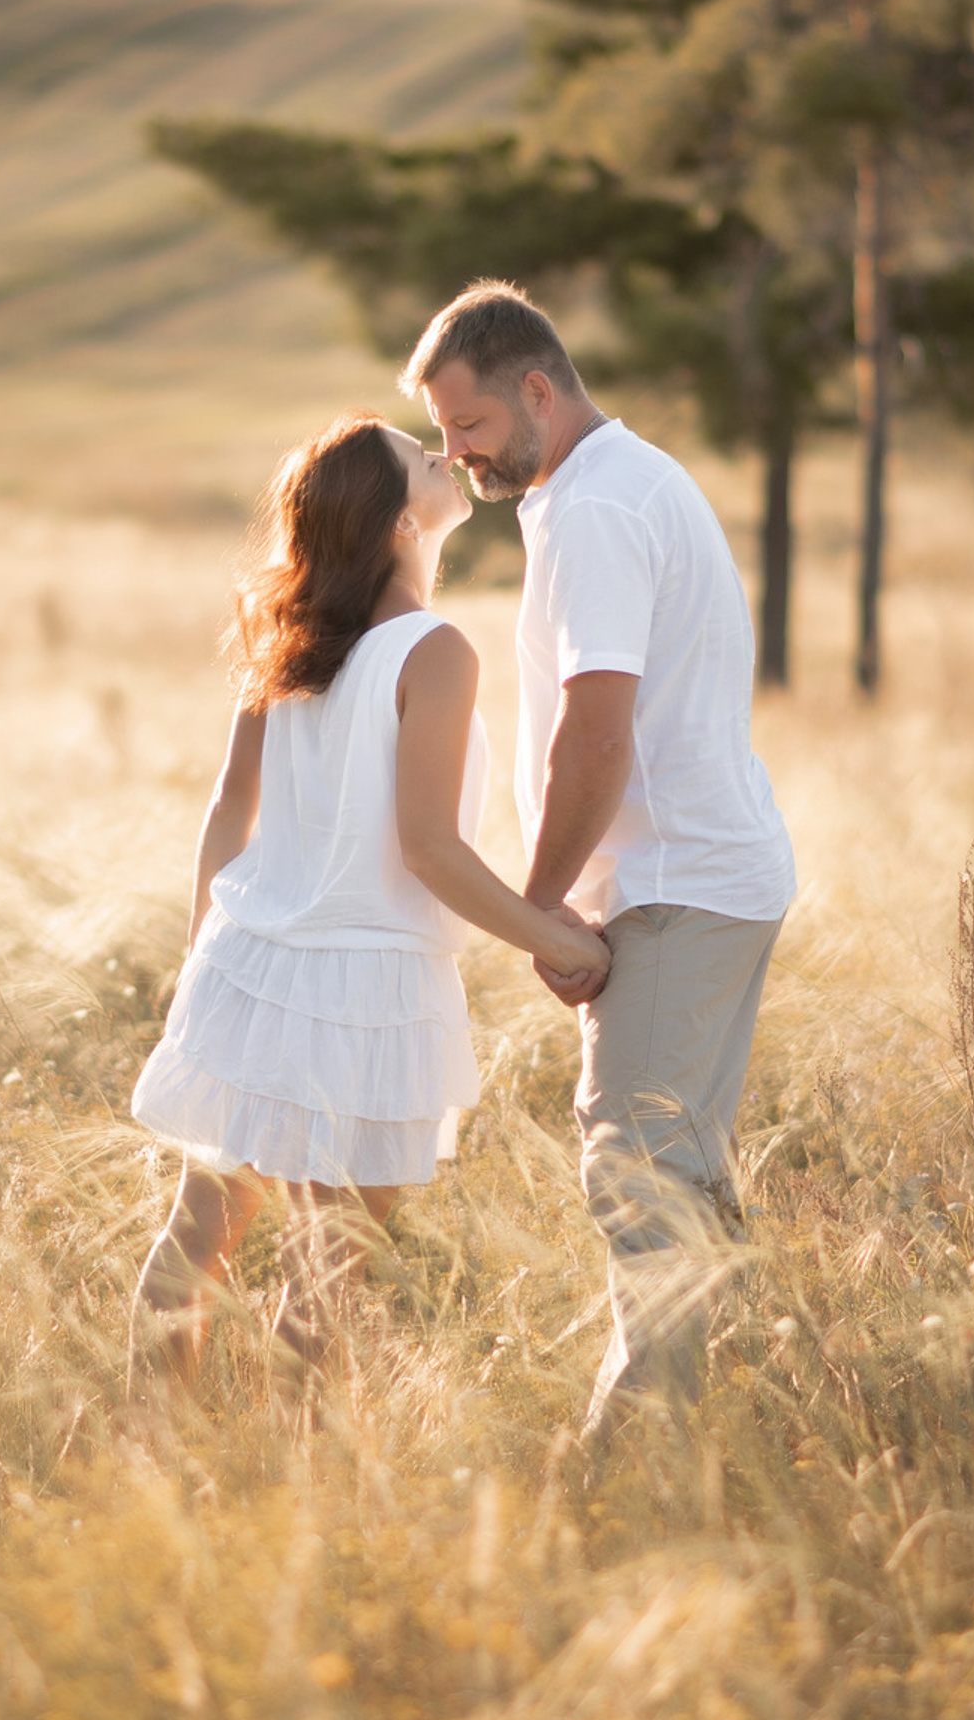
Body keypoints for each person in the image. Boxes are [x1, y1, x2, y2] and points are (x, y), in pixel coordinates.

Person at [130, 412, 612, 1382]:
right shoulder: (434, 651)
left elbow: (230, 810)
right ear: (399, 520)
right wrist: (562, 944)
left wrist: (201, 962)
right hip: (367, 988)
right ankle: (302, 1504)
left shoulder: (289, 635)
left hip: (248, 966)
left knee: (197, 1242)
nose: (443, 454)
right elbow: (428, 848)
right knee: (324, 1281)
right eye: (420, 457)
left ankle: (156, 1460)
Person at [402, 282, 796, 1445]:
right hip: (715, 875)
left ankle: (630, 1470)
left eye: (469, 426)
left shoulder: (591, 508)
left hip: (671, 890)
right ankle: (729, 1435)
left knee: (640, 1187)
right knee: (682, 1186)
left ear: (536, 388)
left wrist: (536, 908)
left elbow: (598, 728)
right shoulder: (628, 479)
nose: (456, 455)